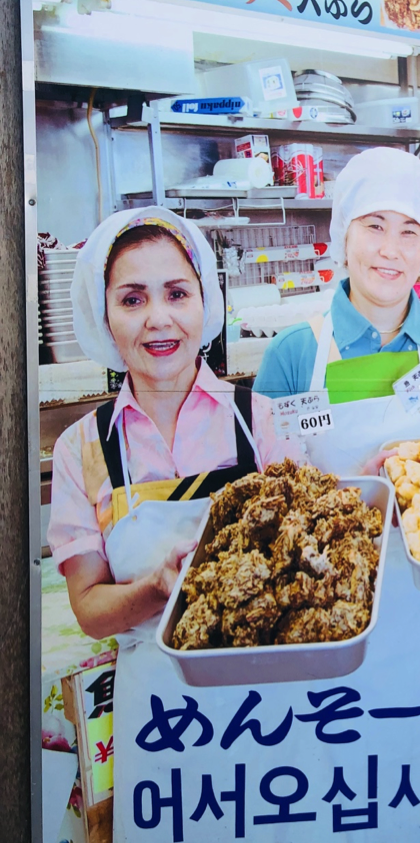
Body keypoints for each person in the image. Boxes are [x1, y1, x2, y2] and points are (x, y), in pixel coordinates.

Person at [49, 206, 296, 642]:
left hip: (263, 692)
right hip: (157, 701)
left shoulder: (260, 420)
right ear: (102, 315)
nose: (158, 318)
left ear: (206, 303)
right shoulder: (81, 447)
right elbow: (89, 610)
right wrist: (157, 588)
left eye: (177, 294)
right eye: (132, 299)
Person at [254, 147, 420, 472]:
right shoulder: (290, 355)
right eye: (374, 226)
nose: (390, 250)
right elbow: (262, 498)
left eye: (408, 232)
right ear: (344, 237)